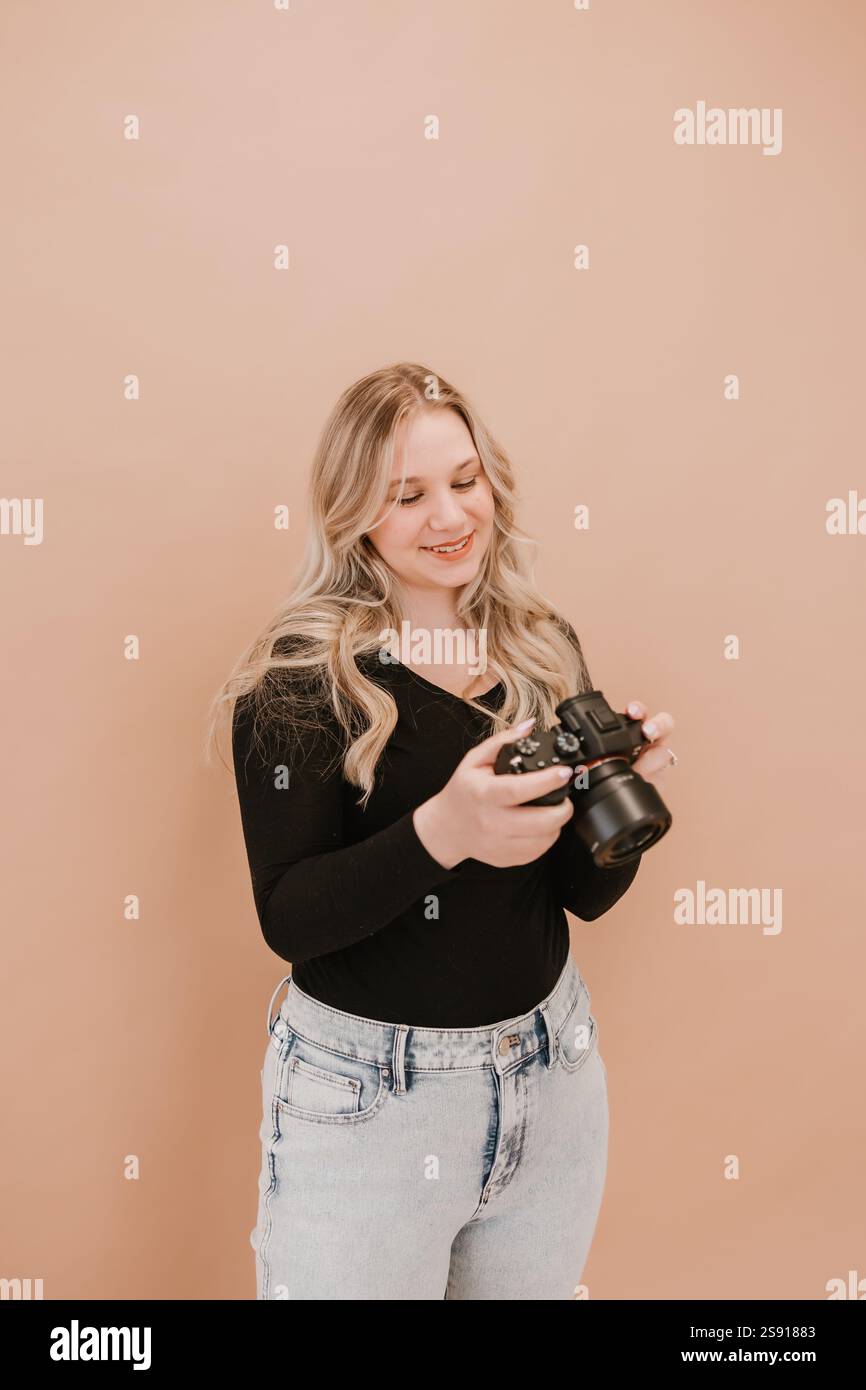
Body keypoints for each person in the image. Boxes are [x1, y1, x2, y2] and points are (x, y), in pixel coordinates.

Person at [204, 362, 676, 1300]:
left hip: (551, 1078)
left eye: (465, 481)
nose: (451, 517)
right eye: (407, 496)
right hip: (370, 1105)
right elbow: (290, 916)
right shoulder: (299, 680)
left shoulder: (542, 646)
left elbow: (581, 897)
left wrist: (625, 809)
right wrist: (441, 831)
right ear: (353, 514)